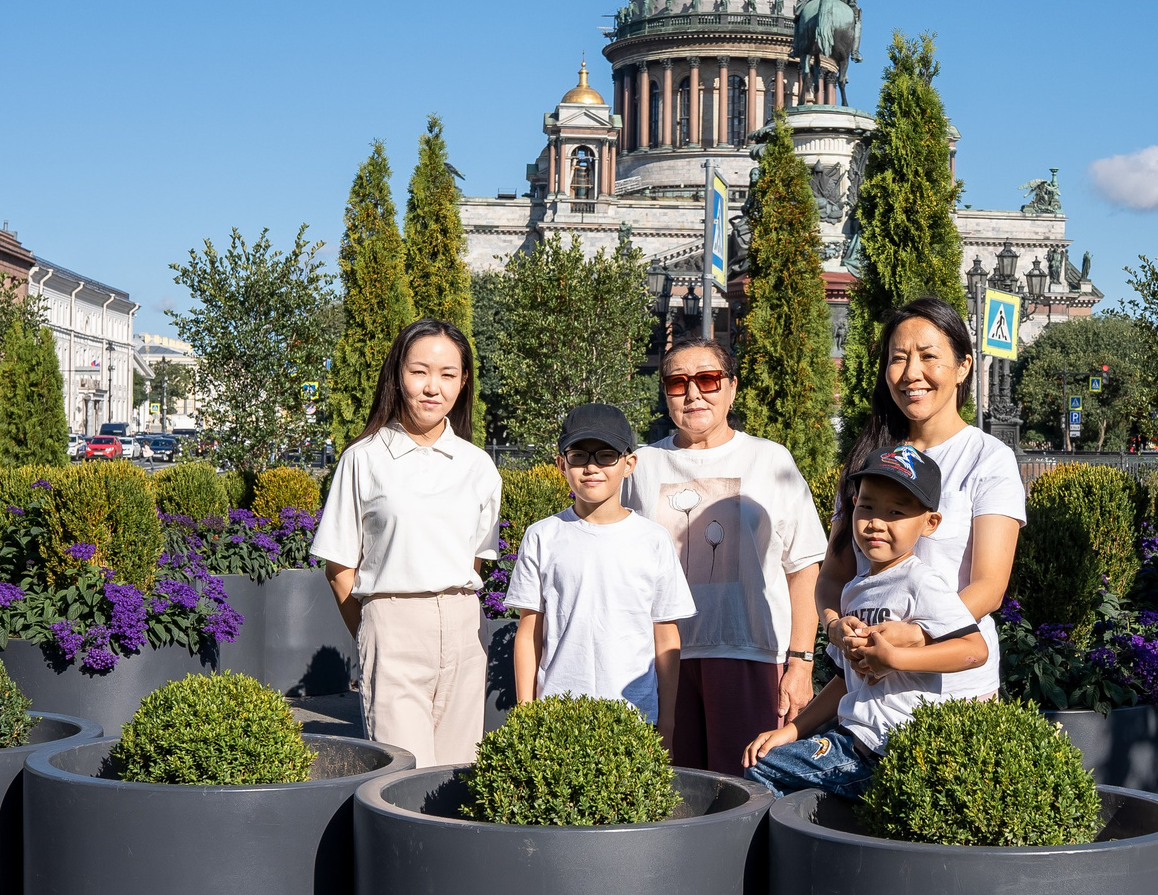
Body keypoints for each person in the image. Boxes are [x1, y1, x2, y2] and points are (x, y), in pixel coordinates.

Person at [624, 337, 828, 773]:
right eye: (678, 383)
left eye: (708, 379)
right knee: (669, 789)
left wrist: (801, 662)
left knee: (747, 786)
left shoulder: (771, 461)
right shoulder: (639, 467)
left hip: (750, 655)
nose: (693, 393)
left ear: (732, 387)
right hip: (659, 661)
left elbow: (804, 567)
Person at [743, 445, 992, 796]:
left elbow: (974, 650)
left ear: (930, 522)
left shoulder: (920, 582)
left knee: (764, 770)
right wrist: (791, 730)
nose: (876, 522)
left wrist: (896, 659)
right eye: (867, 507)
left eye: (895, 512)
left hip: (885, 749)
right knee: (766, 757)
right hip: (855, 741)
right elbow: (848, 680)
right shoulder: (853, 591)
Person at [812, 298, 1026, 705]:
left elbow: (989, 586)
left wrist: (915, 635)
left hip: (953, 693)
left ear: (964, 367)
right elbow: (833, 574)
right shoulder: (868, 460)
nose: (912, 373)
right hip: (868, 696)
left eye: (929, 356)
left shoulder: (987, 458)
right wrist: (834, 625)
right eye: (898, 358)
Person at [310, 318, 502, 766]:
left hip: (464, 630)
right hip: (392, 626)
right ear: (398, 375)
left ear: (463, 382)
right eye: (419, 372)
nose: (432, 387)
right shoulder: (364, 458)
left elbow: (475, 562)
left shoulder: (478, 467)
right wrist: (372, 631)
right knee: (402, 774)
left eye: (447, 375)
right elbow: (339, 566)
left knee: (459, 775)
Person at [506, 404, 693, 721]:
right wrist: (526, 713)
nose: (591, 467)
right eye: (579, 456)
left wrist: (668, 721)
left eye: (606, 455)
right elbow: (529, 631)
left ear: (629, 463)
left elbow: (665, 636)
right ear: (561, 464)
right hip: (556, 713)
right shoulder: (541, 536)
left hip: (635, 715)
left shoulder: (653, 540)